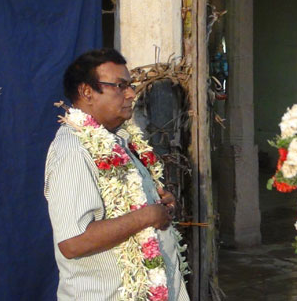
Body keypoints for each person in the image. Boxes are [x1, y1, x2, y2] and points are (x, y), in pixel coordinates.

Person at [44, 48, 189, 301]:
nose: (131, 94)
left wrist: (159, 203)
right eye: (120, 86)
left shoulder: (120, 140)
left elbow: (130, 205)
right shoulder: (73, 151)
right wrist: (146, 216)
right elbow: (73, 242)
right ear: (87, 92)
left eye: (130, 85)